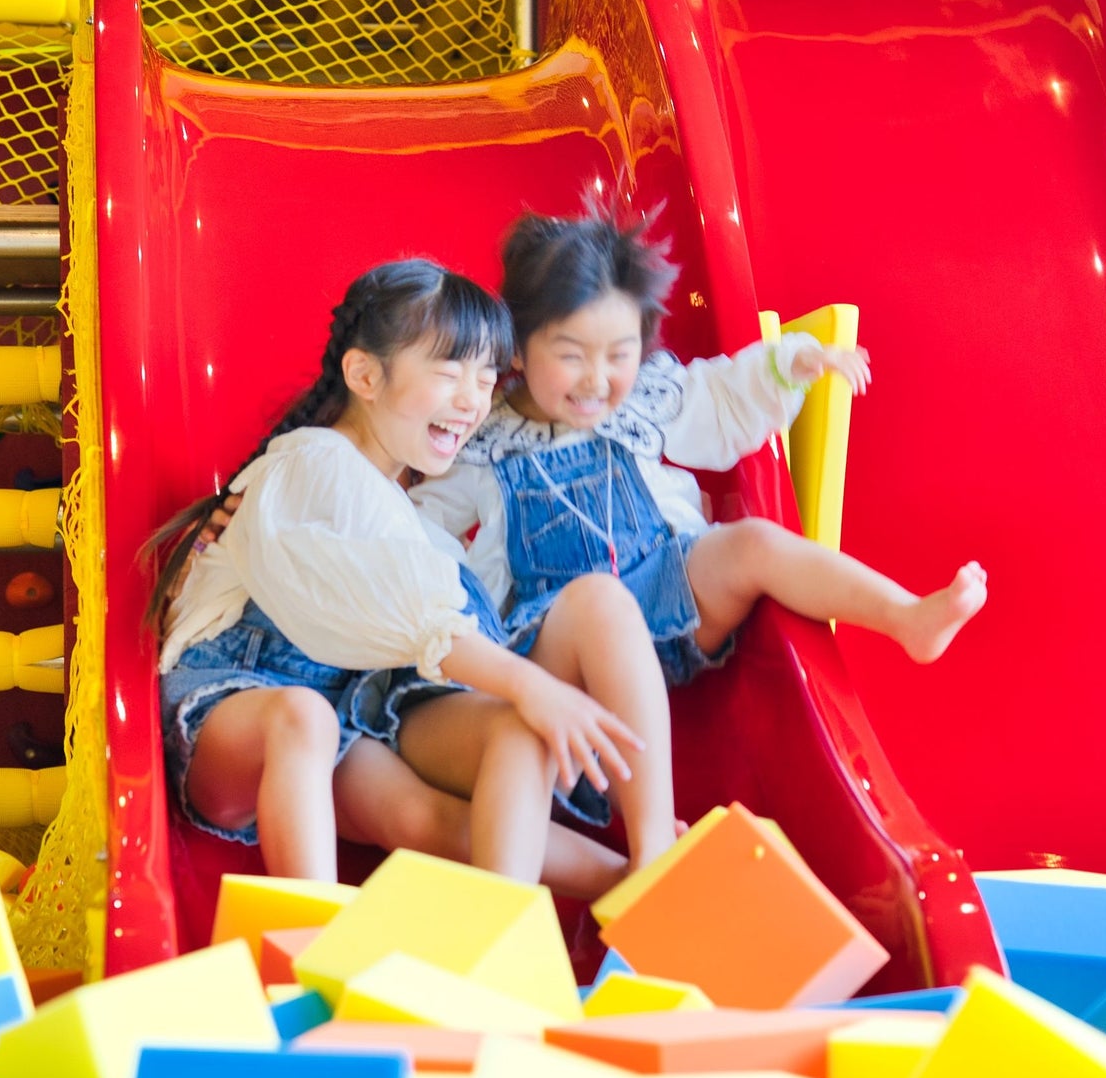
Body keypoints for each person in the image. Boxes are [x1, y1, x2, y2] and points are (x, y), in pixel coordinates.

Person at [149, 258, 676, 891]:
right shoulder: (316, 463)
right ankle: (308, 943)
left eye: (486, 378)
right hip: (244, 701)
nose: (473, 400)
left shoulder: (408, 512)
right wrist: (531, 684)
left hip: (348, 712)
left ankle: (627, 884)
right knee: (307, 718)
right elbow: (409, 613)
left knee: (440, 792)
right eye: (450, 372)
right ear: (365, 374)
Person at [412, 210, 988, 702]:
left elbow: (718, 400)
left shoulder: (642, 399)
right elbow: (421, 526)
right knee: (564, 639)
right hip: (566, 647)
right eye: (571, 355)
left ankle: (908, 617)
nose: (597, 378)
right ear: (517, 345)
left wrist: (790, 365)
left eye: (619, 353)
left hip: (672, 600)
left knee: (754, 542)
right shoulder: (484, 438)